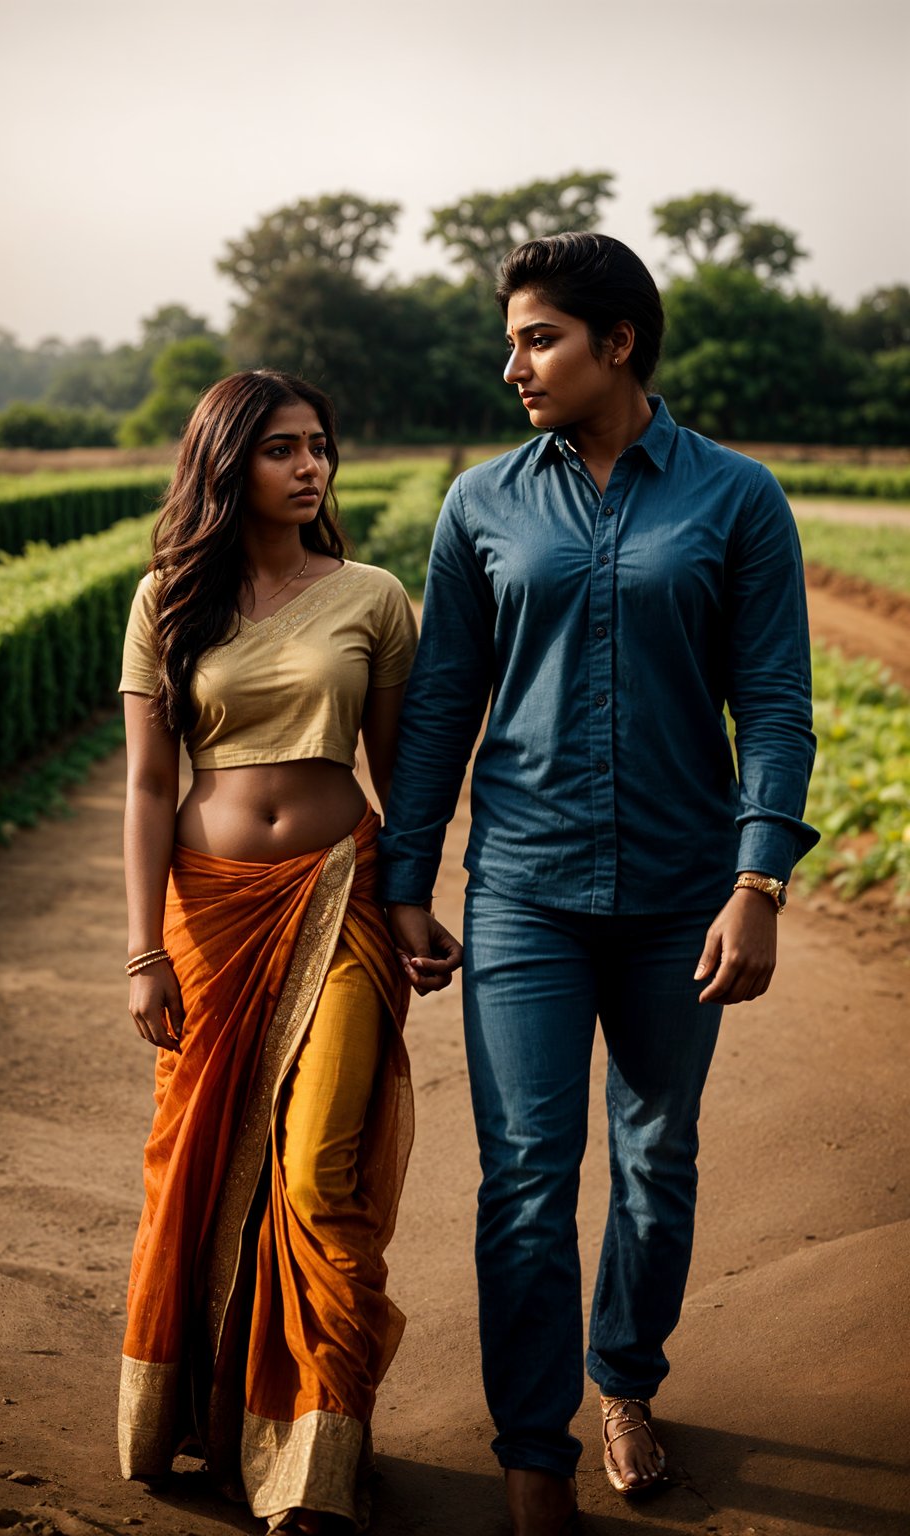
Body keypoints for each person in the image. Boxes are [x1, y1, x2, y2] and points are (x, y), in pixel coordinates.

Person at [379, 233, 818, 1535]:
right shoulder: (481, 504)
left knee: (655, 1155)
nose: (511, 363)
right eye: (513, 338)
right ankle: (532, 1452)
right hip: (524, 885)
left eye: (538, 337)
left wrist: (759, 884)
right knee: (524, 1173)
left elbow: (779, 709)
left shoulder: (737, 499)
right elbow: (444, 702)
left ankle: (623, 1379)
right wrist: (410, 875)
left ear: (617, 342)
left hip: (684, 891)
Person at [116, 370, 422, 1535]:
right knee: (197, 1172)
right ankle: (190, 1416)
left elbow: (399, 780)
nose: (311, 468)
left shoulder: (375, 596)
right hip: (209, 915)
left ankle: (314, 1455)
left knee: (316, 1174)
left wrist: (409, 906)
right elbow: (150, 787)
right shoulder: (169, 601)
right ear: (225, 462)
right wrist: (143, 951)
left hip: (338, 897)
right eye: (282, 449)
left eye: (320, 447)